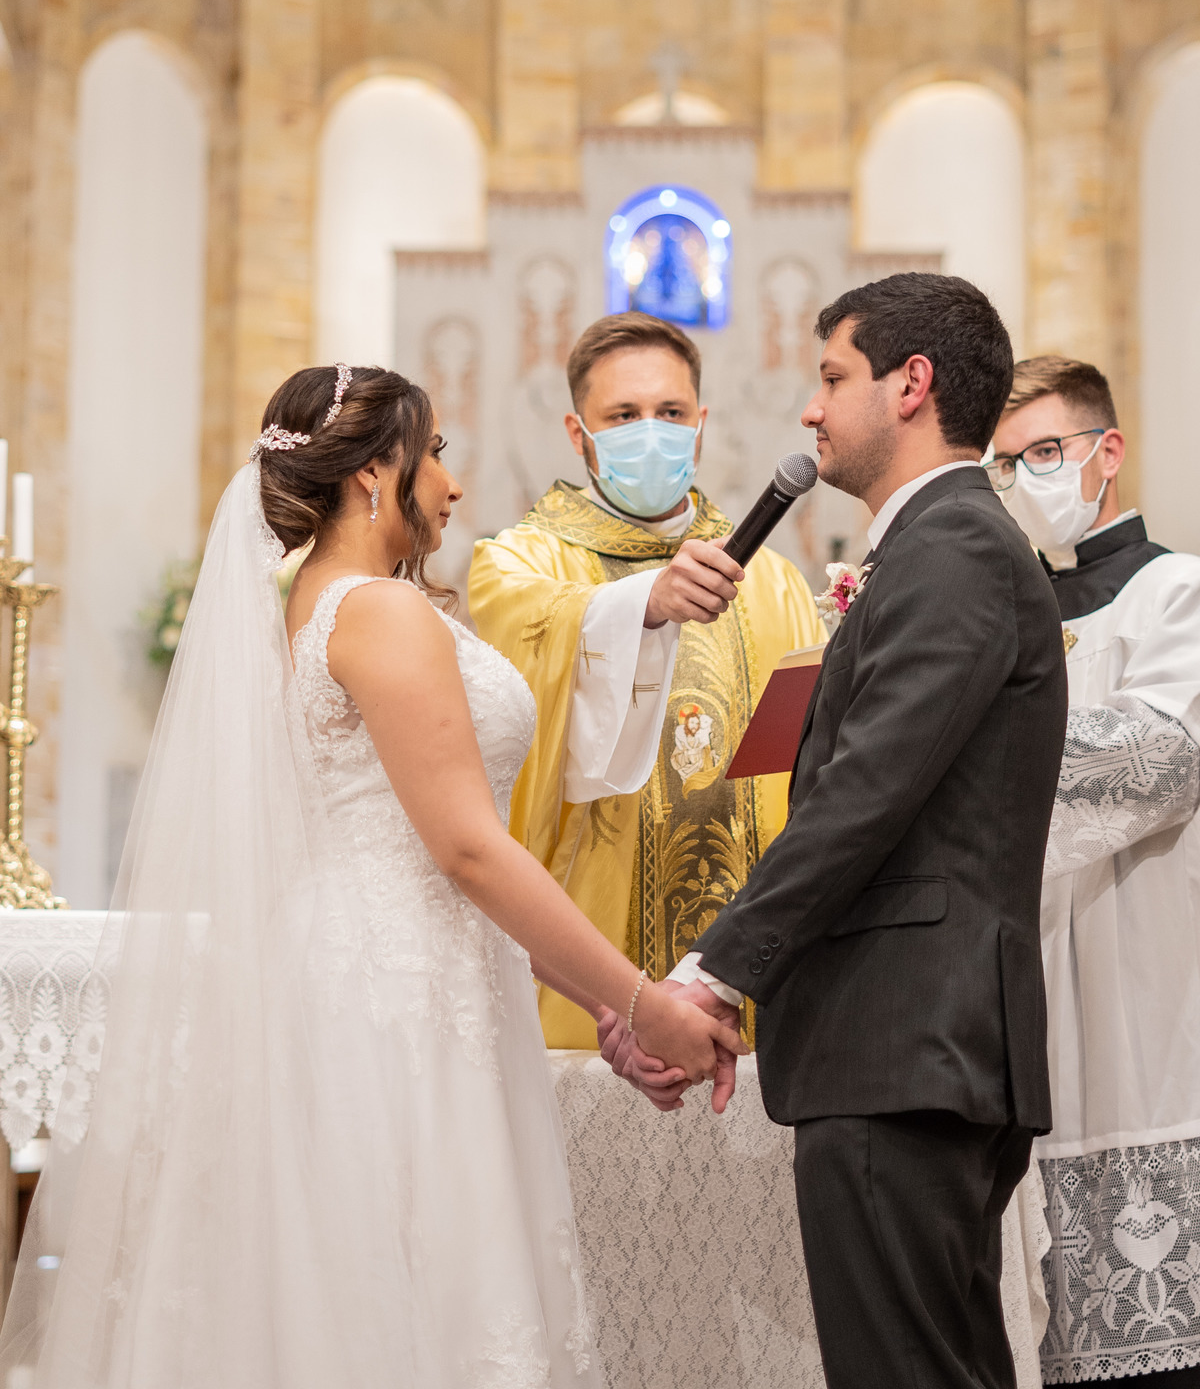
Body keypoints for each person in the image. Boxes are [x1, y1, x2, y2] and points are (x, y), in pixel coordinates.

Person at [0, 364, 739, 1387]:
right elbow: (468, 849)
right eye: (433, 452)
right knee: (408, 1278)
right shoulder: (381, 615)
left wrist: (597, 1000)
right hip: (392, 1000)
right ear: (371, 474)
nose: (450, 482)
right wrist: (636, 997)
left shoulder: (321, 605)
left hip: (392, 966)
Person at [605, 273, 1069, 1389]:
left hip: (905, 1038)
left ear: (911, 386)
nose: (810, 411)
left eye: (831, 377)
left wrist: (710, 980)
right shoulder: (947, 544)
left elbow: (865, 797)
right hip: (918, 1042)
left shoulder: (953, 546)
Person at [468, 312, 822, 1048]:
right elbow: (522, 699)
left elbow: (803, 765)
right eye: (623, 416)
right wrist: (640, 606)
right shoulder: (516, 566)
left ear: (700, 426)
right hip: (591, 954)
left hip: (747, 971)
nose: (651, 431)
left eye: (670, 413)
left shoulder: (774, 582)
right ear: (578, 433)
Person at [990, 357, 1200, 1389]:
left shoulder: (1180, 591)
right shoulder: (1005, 610)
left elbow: (1160, 757)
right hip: (1020, 981)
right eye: (1005, 465)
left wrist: (970, 748)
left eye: (1044, 454)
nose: (1025, 479)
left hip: (1141, 971)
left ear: (1105, 454)